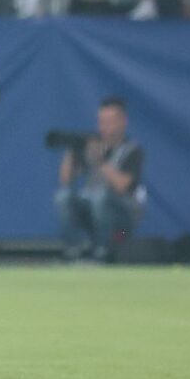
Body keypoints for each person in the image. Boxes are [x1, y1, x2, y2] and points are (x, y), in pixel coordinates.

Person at [55, 97, 146, 262]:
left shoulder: (132, 150)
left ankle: (104, 252)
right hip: (94, 220)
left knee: (101, 197)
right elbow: (65, 180)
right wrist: (72, 150)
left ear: (123, 122)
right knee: (63, 197)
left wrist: (99, 161)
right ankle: (73, 251)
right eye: (101, 121)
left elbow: (122, 186)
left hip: (122, 229)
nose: (104, 127)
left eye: (110, 122)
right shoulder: (94, 145)